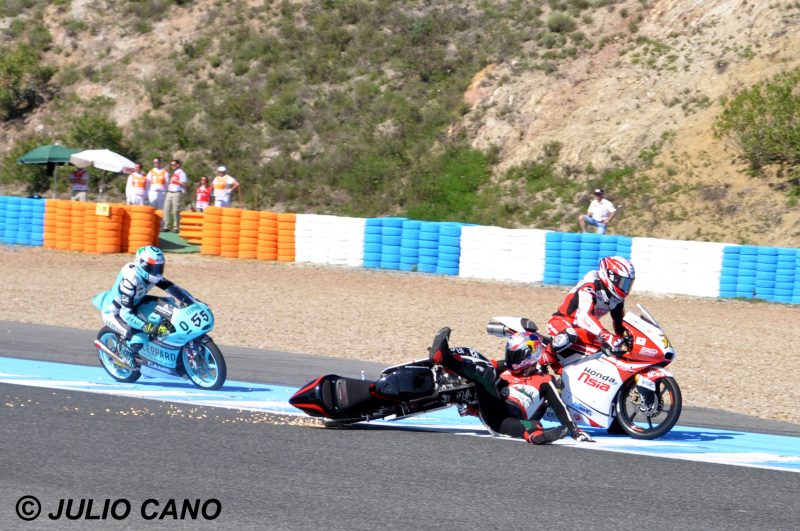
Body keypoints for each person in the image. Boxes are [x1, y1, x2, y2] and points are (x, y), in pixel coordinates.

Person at [429, 327, 594, 445]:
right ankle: (446, 361)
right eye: (510, 353)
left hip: (508, 420)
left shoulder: (545, 380)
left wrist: (575, 431)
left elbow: (559, 406)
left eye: (515, 355)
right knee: (485, 369)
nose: (510, 359)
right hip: (491, 406)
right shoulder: (505, 368)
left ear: (531, 355)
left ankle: (538, 436)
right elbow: (484, 364)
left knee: (533, 426)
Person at [98, 246, 191, 367]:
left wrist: (191, 301)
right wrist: (147, 327)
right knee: (141, 336)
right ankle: (126, 351)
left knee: (169, 304)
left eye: (159, 267)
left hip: (136, 303)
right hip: (115, 312)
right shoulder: (131, 280)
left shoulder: (152, 275)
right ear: (142, 264)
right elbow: (125, 314)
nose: (157, 271)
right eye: (153, 267)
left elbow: (172, 288)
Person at [540, 256, 636, 370]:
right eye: (623, 282)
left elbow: (619, 322)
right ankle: (542, 360)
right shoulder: (590, 287)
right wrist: (607, 336)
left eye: (628, 284)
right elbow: (584, 317)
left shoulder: (616, 298)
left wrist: (628, 338)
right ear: (610, 276)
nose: (625, 288)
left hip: (584, 330)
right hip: (562, 323)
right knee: (571, 334)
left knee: (608, 351)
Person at [163, 159, 188, 231]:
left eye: (174, 165)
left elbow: (184, 184)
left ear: (178, 165)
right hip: (169, 192)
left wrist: (177, 181)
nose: (172, 166)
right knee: (166, 209)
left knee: (175, 210)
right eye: (171, 165)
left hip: (177, 192)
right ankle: (166, 225)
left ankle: (176, 226)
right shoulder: (173, 173)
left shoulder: (182, 173)